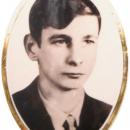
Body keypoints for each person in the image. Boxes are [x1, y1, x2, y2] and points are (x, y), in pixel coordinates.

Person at [13, 0, 112, 130]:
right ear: (32, 47)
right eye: (60, 41)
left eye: (88, 41)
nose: (76, 59)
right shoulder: (10, 111)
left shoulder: (108, 115)